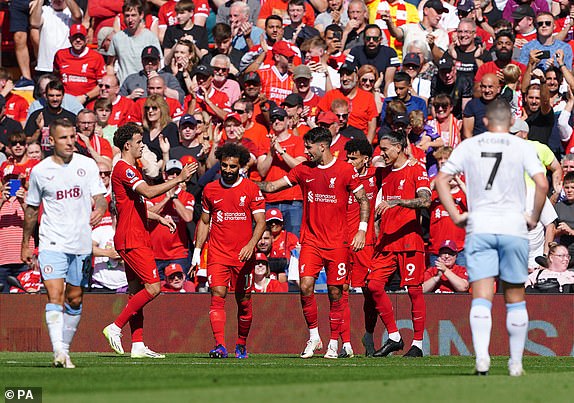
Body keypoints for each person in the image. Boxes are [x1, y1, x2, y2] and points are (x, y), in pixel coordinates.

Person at [435, 99, 548, 376]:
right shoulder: (522, 146)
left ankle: (482, 358)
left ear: (485, 121)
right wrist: (533, 216)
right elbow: (543, 182)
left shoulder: (469, 145)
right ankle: (516, 363)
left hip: (480, 226)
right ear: (511, 123)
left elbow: (440, 180)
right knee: (514, 296)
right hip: (513, 227)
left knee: (482, 296)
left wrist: (456, 215)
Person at [257, 127, 371, 359]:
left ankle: (334, 342)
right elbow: (271, 187)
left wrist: (361, 231)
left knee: (335, 292)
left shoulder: (345, 170)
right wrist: (244, 184)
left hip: (338, 243)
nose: (305, 151)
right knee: (305, 285)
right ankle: (314, 336)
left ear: (322, 146)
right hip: (310, 242)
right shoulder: (303, 171)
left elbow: (364, 200)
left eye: (308, 147)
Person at [102, 123, 194, 359]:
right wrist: (179, 179)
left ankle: (138, 345)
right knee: (154, 288)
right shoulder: (124, 169)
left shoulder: (131, 168)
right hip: (132, 238)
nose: (142, 145)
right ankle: (115, 327)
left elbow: (134, 206)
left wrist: (159, 218)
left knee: (136, 294)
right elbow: (150, 193)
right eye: (139, 141)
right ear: (127, 145)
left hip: (134, 235)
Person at [21, 118, 107, 368]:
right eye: (64, 138)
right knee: (55, 295)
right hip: (52, 242)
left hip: (79, 242)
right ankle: (59, 351)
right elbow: (31, 210)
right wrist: (26, 243)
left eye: (72, 136)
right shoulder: (40, 171)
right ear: (51, 141)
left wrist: (100, 209)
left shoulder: (87, 165)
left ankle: (64, 349)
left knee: (75, 299)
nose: (70, 142)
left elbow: (100, 197)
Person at [192, 142, 266, 359]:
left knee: (244, 302)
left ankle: (241, 344)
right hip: (218, 253)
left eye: (232, 166)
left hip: (243, 255)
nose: (227, 170)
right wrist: (197, 252)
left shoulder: (251, 189)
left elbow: (260, 222)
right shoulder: (210, 189)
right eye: (224, 166)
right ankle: (220, 346)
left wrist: (250, 245)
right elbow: (204, 222)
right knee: (217, 294)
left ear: (240, 166)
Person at [368, 130, 431, 359]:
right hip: (386, 241)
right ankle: (394, 337)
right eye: (381, 149)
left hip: (409, 240)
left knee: (414, 291)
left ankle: (418, 344)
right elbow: (372, 161)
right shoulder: (383, 171)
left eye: (385, 149)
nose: (382, 153)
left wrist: (398, 202)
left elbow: (426, 200)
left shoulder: (416, 169)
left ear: (398, 147)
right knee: (374, 286)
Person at [343, 139, 378, 357]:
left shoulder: (377, 175)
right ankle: (344, 343)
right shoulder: (341, 175)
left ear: (365, 159)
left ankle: (369, 335)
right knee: (340, 291)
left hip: (365, 242)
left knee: (370, 291)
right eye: (347, 157)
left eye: (353, 158)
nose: (348, 161)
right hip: (340, 242)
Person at [53, 24, 106, 103]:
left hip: (88, 101)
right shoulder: (60, 55)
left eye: (81, 37)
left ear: (87, 39)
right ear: (69, 39)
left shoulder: (96, 57)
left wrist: (86, 97)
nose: (78, 40)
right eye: (75, 37)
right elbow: (55, 78)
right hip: (65, 101)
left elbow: (103, 85)